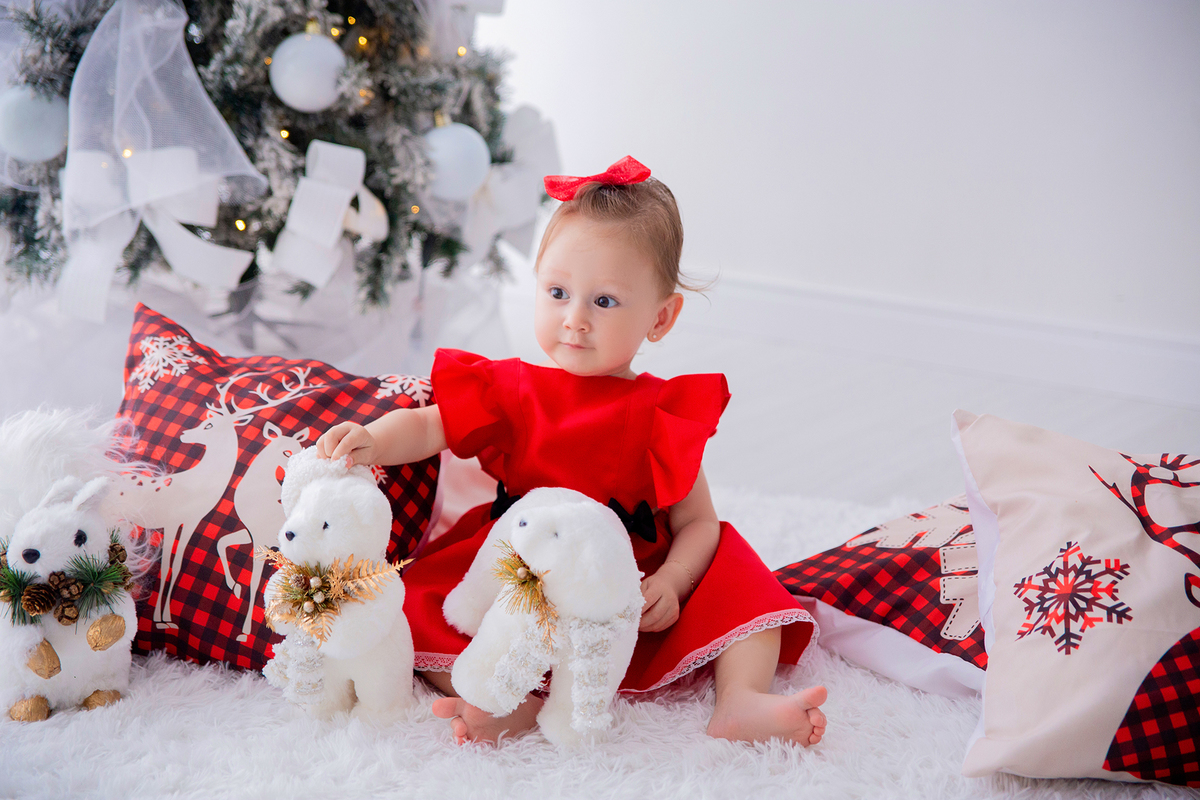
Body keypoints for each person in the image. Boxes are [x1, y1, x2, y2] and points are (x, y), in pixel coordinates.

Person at [315, 156, 827, 747]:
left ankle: (741, 699)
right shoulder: (513, 388)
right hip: (523, 565)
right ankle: (507, 698)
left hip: (627, 583)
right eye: (558, 293)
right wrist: (376, 439)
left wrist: (675, 580)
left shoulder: (661, 412)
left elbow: (697, 522)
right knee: (425, 607)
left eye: (604, 302)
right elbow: (433, 425)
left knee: (739, 572)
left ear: (661, 317)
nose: (575, 319)